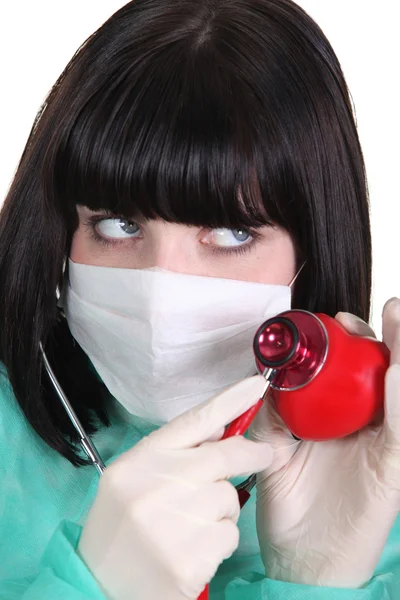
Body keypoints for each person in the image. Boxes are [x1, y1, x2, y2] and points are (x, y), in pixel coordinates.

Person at [0, 0, 399, 598]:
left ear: (313, 247)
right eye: (116, 225)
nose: (162, 285)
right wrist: (86, 586)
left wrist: (317, 584)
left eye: (233, 233)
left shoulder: (381, 490)